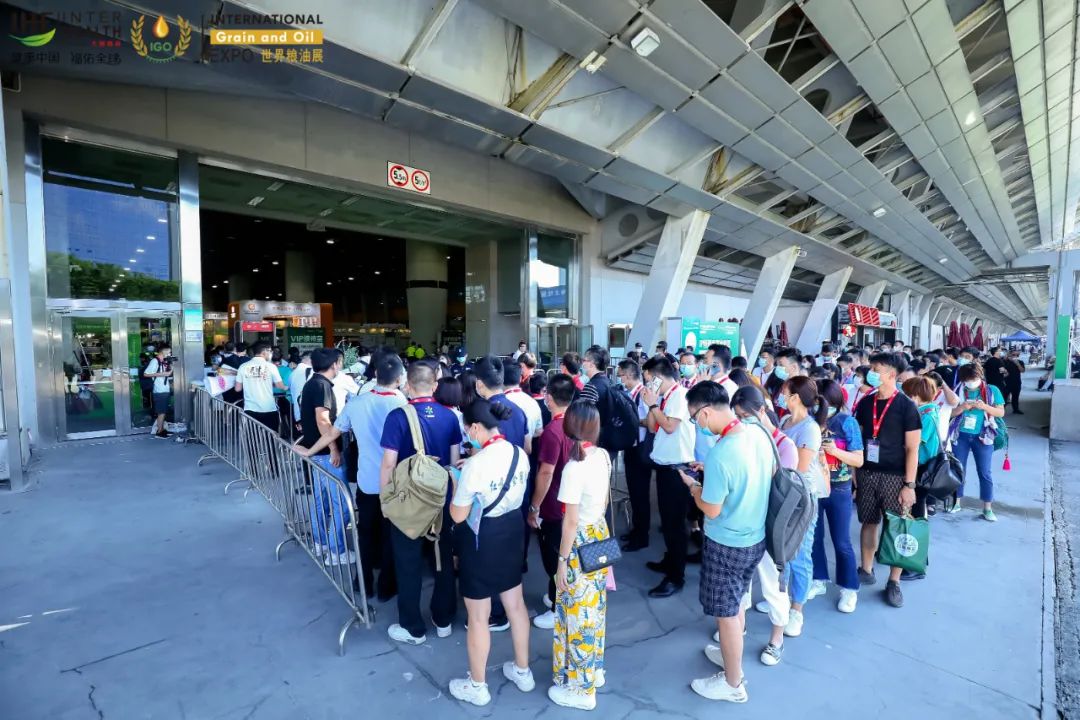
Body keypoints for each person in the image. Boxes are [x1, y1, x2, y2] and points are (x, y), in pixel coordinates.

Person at [682, 381, 773, 704]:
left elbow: (711, 508)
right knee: (738, 602)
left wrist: (694, 488)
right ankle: (729, 656)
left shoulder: (721, 453)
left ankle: (733, 682)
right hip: (755, 536)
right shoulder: (756, 433)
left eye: (694, 418)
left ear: (705, 412)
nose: (696, 424)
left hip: (726, 543)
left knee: (726, 613)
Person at [448, 398, 534, 707]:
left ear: (474, 428)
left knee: (478, 615)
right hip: (512, 531)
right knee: (516, 605)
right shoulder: (518, 453)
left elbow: (458, 515)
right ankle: (523, 671)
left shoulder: (475, 465)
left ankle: (477, 685)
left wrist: (455, 481)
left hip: (481, 538)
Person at [301, 353, 406, 599]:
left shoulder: (357, 403)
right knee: (391, 534)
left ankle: (364, 582)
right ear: (400, 378)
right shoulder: (402, 403)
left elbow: (332, 433)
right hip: (396, 482)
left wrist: (310, 451)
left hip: (367, 481)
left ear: (375, 374)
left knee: (365, 533)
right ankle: (386, 587)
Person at [380, 362, 462, 644]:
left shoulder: (397, 416)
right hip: (441, 500)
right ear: (435, 385)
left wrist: (385, 499)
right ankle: (443, 620)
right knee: (442, 561)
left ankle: (412, 627)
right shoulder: (450, 416)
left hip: (409, 503)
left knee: (408, 563)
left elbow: (388, 463)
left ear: (408, 386)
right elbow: (454, 463)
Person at [548, 401, 613, 711]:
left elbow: (570, 522)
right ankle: (593, 669)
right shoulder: (602, 456)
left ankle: (582, 689)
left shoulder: (574, 468)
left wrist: (562, 562)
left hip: (579, 541)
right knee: (594, 606)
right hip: (599, 532)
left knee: (577, 613)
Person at [730, 385, 794, 665]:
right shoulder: (742, 441)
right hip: (746, 523)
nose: (741, 421)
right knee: (741, 583)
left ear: (762, 411)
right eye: (737, 417)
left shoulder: (784, 445)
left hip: (771, 526)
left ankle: (777, 638)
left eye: (745, 416)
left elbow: (784, 489)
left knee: (772, 583)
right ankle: (738, 628)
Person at [853, 352, 921, 608]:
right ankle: (866, 569)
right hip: (867, 473)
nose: (871, 373)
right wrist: (855, 474)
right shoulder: (865, 403)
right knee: (868, 522)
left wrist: (909, 485)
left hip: (896, 476)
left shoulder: (906, 406)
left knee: (896, 528)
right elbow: (858, 439)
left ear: (891, 374)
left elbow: (912, 449)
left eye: (876, 369)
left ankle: (894, 581)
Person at [640, 356, 695, 598]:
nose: (647, 384)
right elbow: (654, 427)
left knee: (675, 524)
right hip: (665, 468)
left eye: (649, 380)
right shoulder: (666, 397)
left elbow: (670, 427)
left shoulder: (680, 396)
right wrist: (652, 404)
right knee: (668, 521)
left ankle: (676, 576)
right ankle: (670, 560)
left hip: (677, 469)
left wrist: (653, 405)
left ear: (658, 377)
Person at [776, 376, 827, 637]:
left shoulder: (810, 429)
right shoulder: (785, 421)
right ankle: (781, 600)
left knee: (800, 555)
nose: (781, 397)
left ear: (795, 397)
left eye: (784, 392)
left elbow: (799, 467)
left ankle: (797, 609)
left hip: (801, 500)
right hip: (782, 495)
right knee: (781, 552)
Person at [810, 379, 864, 612]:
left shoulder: (846, 422)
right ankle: (818, 579)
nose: (819, 407)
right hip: (814, 486)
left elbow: (858, 459)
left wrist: (836, 451)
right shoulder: (809, 420)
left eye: (822, 402)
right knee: (814, 537)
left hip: (839, 488)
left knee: (841, 541)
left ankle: (849, 587)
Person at [527, 374, 575, 629]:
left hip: (555, 504)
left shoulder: (553, 431)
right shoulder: (577, 422)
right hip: (571, 502)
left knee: (554, 558)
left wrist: (534, 507)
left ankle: (559, 608)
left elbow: (546, 472)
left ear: (548, 398)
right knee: (560, 554)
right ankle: (555, 595)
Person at [951, 362, 1005, 522]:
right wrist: (962, 408)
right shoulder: (957, 390)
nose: (971, 382)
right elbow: (949, 413)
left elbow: (1000, 412)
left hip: (983, 436)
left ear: (980, 376)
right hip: (960, 435)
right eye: (967, 380)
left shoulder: (992, 390)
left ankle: (987, 508)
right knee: (958, 469)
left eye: (973, 379)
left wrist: (985, 407)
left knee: (985, 472)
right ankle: (956, 502)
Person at [616, 359, 652, 552]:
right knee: (634, 493)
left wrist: (632, 420)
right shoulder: (630, 394)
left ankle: (642, 536)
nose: (620, 379)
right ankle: (636, 530)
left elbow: (651, 422)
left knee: (640, 494)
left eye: (621, 375)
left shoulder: (644, 394)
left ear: (629, 375)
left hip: (641, 450)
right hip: (631, 447)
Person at [235, 341, 286, 432]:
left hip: (250, 409)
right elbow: (280, 385)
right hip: (269, 408)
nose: (271, 354)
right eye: (270, 351)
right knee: (271, 437)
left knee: (253, 437)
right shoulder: (271, 366)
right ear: (264, 352)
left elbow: (237, 389)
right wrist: (287, 388)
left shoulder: (243, 366)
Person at [503, 363, 543, 441]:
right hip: (528, 446)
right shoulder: (533, 402)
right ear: (520, 379)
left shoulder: (499, 402)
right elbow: (538, 431)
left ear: (501, 378)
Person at [144, 343, 174, 439]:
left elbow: (167, 374)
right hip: (159, 390)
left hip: (164, 389)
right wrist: (163, 374)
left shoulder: (164, 361)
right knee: (161, 412)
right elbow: (146, 374)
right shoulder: (155, 361)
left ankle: (162, 429)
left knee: (163, 411)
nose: (170, 354)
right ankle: (159, 431)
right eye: (169, 352)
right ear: (163, 351)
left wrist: (170, 367)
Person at [289, 351, 314, 429]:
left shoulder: (292, 373)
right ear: (311, 359)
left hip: (297, 413)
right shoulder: (311, 371)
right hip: (310, 412)